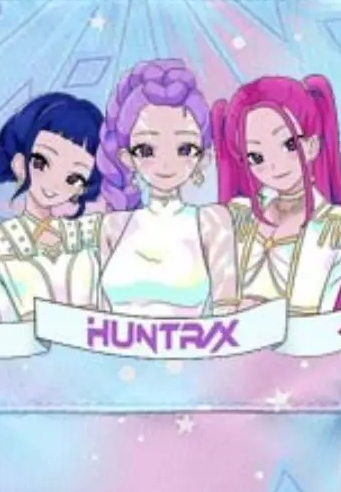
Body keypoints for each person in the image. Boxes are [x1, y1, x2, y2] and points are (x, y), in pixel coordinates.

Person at [211, 73, 341, 331]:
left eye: (289, 144)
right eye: (256, 157)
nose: (274, 166)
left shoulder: (336, 225)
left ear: (312, 145)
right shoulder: (238, 215)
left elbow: (312, 310)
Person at [95, 59, 238, 317]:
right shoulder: (113, 226)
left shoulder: (212, 222)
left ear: (203, 158)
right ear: (127, 158)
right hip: (117, 340)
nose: (166, 164)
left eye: (185, 149)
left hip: (194, 340)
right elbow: (100, 314)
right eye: (146, 150)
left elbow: (227, 313)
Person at [0, 92, 105, 321]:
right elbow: (4, 323)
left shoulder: (89, 236)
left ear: (83, 186)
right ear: (20, 163)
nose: (53, 183)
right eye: (41, 162)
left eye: (74, 178)